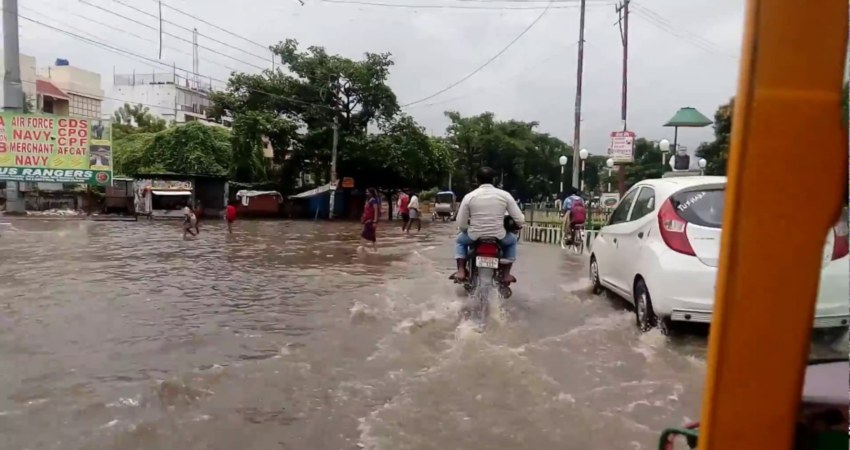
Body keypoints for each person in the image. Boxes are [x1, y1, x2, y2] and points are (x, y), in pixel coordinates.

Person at [454, 167, 525, 284]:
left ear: (477, 180)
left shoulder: (469, 196)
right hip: (499, 236)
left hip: (474, 235)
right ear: (494, 180)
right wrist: (517, 225)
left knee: (460, 241)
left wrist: (466, 229)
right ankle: (506, 274)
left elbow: (461, 222)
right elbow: (520, 219)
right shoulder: (505, 195)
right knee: (512, 241)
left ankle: (461, 270)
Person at [360, 188, 381, 252]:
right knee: (373, 238)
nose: (366, 193)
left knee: (363, 235)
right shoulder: (369, 200)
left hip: (371, 221)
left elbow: (376, 211)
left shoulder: (373, 201)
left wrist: (374, 221)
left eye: (368, 192)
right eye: (366, 192)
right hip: (369, 221)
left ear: (371, 193)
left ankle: (362, 249)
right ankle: (375, 251)